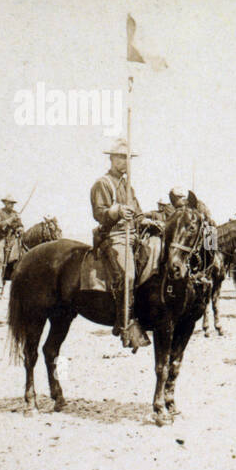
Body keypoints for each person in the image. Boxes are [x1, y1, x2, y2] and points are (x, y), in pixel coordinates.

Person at [89, 139, 148, 349]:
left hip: (133, 234)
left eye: (128, 158)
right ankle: (125, 324)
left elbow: (138, 212)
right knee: (128, 275)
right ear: (111, 159)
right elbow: (99, 213)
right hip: (114, 236)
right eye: (121, 157)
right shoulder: (103, 183)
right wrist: (116, 211)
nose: (125, 162)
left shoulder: (127, 185)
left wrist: (146, 219)